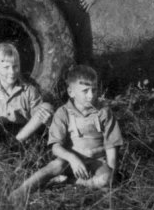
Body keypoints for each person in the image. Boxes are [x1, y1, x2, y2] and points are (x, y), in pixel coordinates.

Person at [10, 65, 123, 200]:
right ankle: (23, 190)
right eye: (85, 91)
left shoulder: (104, 113)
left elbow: (111, 146)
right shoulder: (63, 113)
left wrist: (112, 174)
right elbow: (56, 147)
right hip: (69, 161)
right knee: (55, 165)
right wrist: (72, 158)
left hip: (96, 162)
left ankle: (68, 181)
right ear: (71, 92)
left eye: (94, 89)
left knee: (106, 180)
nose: (91, 96)